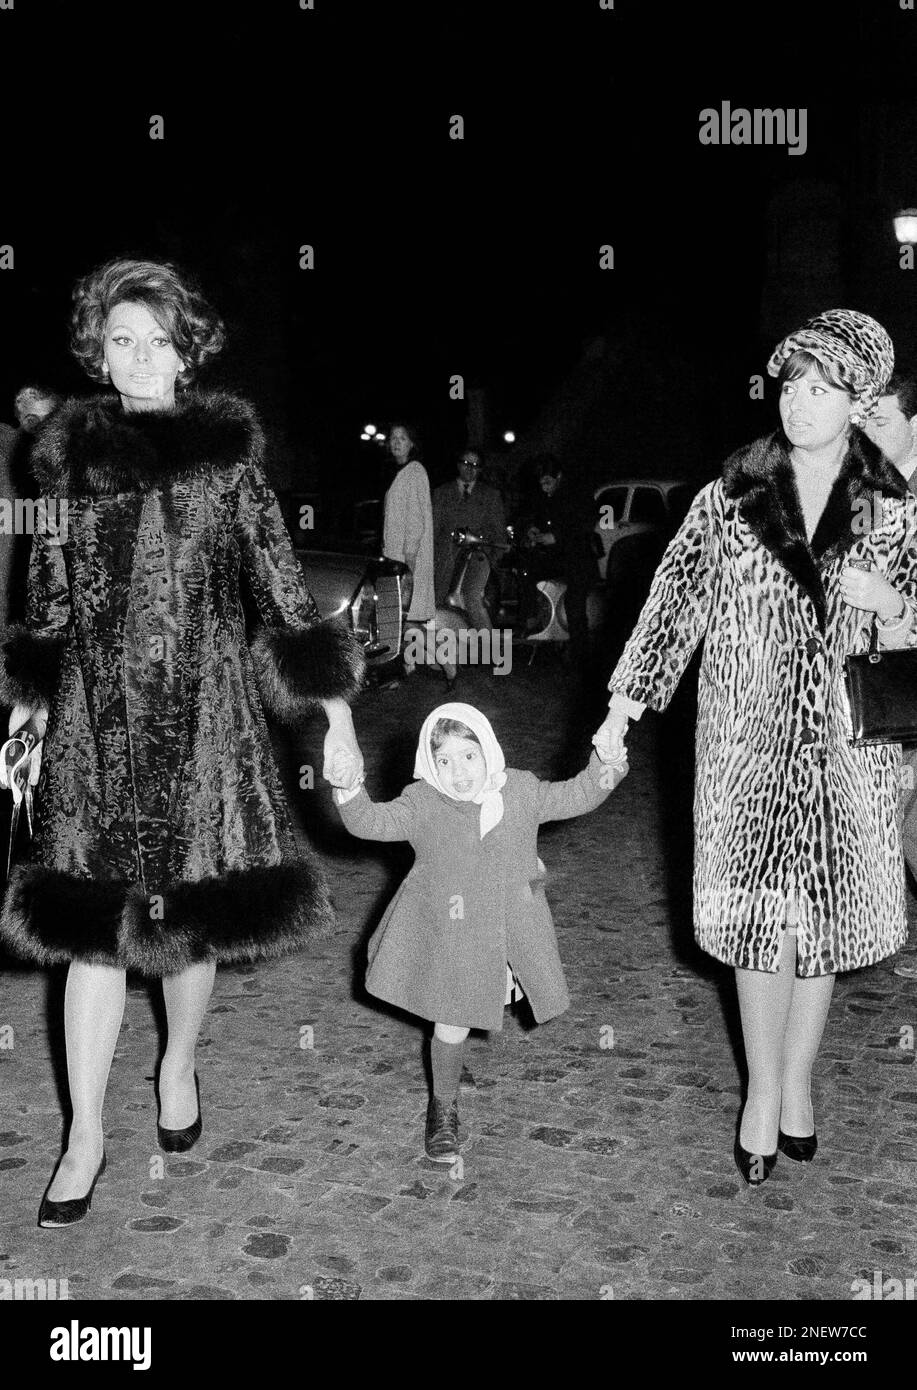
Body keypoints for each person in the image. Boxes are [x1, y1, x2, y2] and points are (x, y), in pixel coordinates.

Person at [0, 257, 365, 1227]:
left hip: (205, 724)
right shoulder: (68, 458)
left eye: (157, 340)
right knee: (92, 932)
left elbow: (283, 593)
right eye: (120, 340)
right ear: (97, 349)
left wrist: (334, 718)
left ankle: (177, 1062)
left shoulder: (227, 460)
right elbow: (44, 600)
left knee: (190, 915)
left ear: (186, 349)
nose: (140, 360)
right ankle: (82, 1135)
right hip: (95, 725)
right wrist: (28, 715)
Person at [593, 309, 917, 1185]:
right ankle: (759, 1095)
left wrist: (890, 606)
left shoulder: (893, 508)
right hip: (744, 748)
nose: (798, 404)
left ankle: (798, 1084)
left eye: (821, 389)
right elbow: (672, 607)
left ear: (858, 402)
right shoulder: (728, 496)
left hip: (851, 754)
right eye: (789, 385)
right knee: (754, 925)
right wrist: (623, 707)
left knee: (820, 921)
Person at [326, 701, 627, 1164]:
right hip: (453, 936)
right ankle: (443, 1106)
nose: (458, 772)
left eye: (468, 755)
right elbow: (371, 822)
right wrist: (349, 789)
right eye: (443, 761)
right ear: (430, 765)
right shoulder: (423, 802)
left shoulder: (522, 791)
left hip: (510, 927)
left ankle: (450, 1089)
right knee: (451, 1020)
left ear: (488, 749)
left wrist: (606, 762)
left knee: (478, 1007)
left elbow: (579, 794)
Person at [863, 372, 917, 980]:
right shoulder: (871, 492)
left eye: (880, 422)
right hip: (884, 684)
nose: (867, 435)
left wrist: (894, 604)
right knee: (895, 811)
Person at [518, 455, 596, 665]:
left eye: (548, 482)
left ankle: (582, 656)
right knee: (526, 570)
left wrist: (557, 536)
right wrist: (533, 531)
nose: (544, 488)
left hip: (579, 559)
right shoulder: (543, 497)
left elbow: (585, 525)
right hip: (556, 559)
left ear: (559, 477)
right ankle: (531, 620)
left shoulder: (577, 495)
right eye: (541, 483)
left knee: (574, 603)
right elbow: (533, 518)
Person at [381, 422, 437, 678]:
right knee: (403, 618)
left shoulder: (415, 471)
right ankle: (407, 665)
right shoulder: (400, 472)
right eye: (393, 438)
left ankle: (446, 665)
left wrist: (410, 557)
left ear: (412, 443)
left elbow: (416, 518)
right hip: (397, 556)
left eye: (402, 438)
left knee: (407, 618)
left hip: (408, 557)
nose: (396, 442)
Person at [432, 449, 506, 629]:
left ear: (480, 470)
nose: (470, 469)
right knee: (440, 604)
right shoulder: (442, 492)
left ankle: (489, 647)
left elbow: (499, 534)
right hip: (446, 559)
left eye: (475, 466)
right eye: (466, 464)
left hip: (476, 561)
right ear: (458, 465)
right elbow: (432, 529)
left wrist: (490, 560)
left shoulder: (490, 495)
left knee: (472, 600)